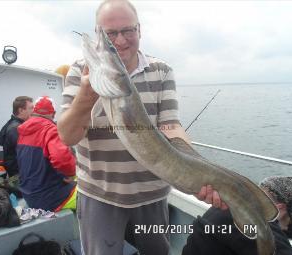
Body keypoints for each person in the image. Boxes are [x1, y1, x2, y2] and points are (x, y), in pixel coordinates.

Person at [57, 1, 226, 254]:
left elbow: (171, 126)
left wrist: (195, 167)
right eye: (110, 34)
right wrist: (86, 95)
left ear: (139, 30)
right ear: (97, 34)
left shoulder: (161, 71)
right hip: (99, 194)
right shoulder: (79, 71)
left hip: (152, 194)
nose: (121, 40)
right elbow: (68, 136)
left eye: (128, 31)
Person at [182, 176, 292, 255]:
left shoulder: (223, 206)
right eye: (288, 223)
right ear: (280, 208)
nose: (285, 229)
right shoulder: (259, 225)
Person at [16, 96, 76, 211]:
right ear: (53, 114)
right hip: (50, 198)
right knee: (89, 194)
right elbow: (62, 159)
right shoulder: (50, 129)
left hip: (28, 195)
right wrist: (71, 173)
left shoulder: (22, 132)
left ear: (34, 112)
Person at [0, 96, 34, 177]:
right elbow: (27, 152)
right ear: (21, 110)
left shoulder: (13, 123)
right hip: (18, 171)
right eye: (31, 108)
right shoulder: (16, 128)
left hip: (17, 167)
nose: (33, 111)